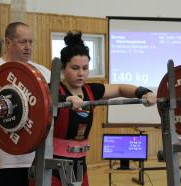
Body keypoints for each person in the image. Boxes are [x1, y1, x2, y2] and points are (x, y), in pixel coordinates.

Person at [50, 31, 157, 186]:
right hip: (52, 167)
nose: (81, 73)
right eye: (75, 68)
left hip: (80, 166)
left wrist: (144, 92)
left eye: (85, 68)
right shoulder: (52, 90)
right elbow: (44, 99)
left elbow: (120, 88)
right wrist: (66, 99)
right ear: (62, 68)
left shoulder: (90, 90)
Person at [0, 22, 51, 186]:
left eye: (31, 42)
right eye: (22, 42)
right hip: (2, 161)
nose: (28, 47)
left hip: (37, 159)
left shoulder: (43, 73)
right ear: (7, 43)